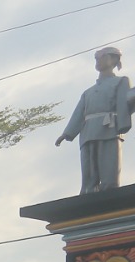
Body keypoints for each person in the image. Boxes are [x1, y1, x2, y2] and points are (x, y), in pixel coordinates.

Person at [58, 47, 132, 196]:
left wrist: (122, 124)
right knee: (89, 170)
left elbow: (126, 100)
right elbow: (79, 113)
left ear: (114, 60)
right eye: (96, 58)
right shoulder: (88, 92)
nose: (98, 61)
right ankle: (88, 192)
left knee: (109, 166)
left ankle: (110, 192)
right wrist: (67, 133)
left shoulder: (120, 81)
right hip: (88, 132)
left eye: (102, 57)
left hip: (109, 128)